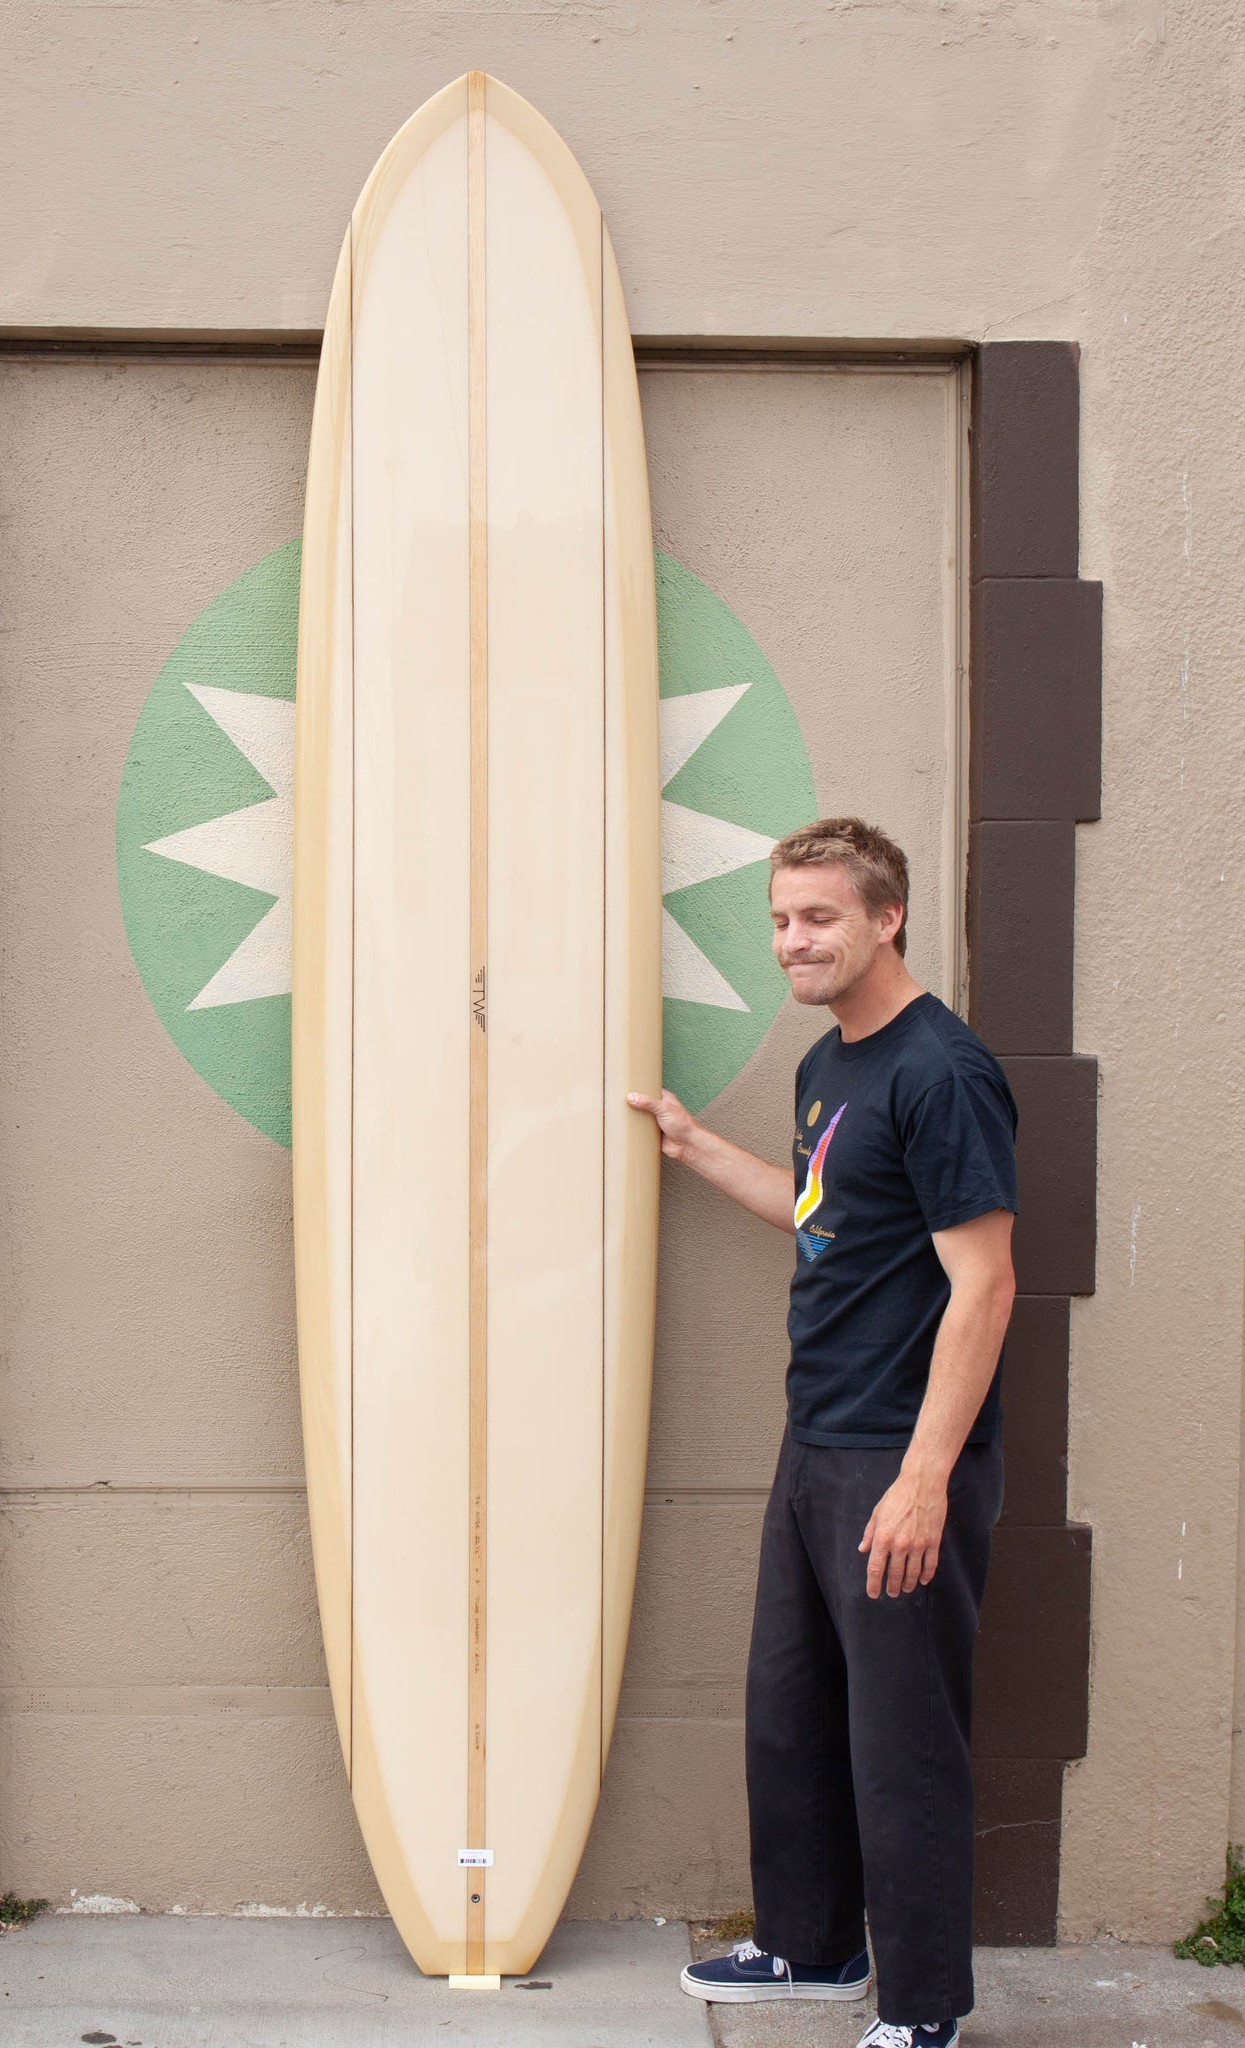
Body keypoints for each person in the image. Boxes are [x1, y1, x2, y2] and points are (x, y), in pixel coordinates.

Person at [629, 817, 1017, 2048]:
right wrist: (692, 1143)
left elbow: (986, 1285)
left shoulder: (940, 1072)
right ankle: (810, 1944)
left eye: (819, 917)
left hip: (899, 1455)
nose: (793, 940)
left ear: (886, 917)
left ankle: (923, 2008)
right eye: (782, 919)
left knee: (903, 1742)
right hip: (818, 1439)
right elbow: (818, 1216)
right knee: (792, 1711)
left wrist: (924, 1479)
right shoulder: (828, 1064)